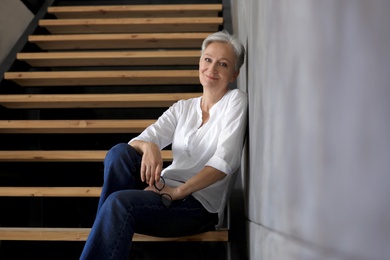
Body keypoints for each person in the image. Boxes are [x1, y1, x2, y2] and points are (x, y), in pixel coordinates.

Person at [80, 30, 247, 260]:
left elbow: (224, 162)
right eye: (207, 59)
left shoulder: (235, 101)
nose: (212, 68)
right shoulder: (183, 108)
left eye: (223, 64)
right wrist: (150, 147)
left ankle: (106, 228)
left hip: (196, 206)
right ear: (200, 62)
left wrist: (178, 192)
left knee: (117, 204)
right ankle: (107, 228)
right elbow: (136, 143)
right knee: (119, 153)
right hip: (162, 189)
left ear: (234, 73)